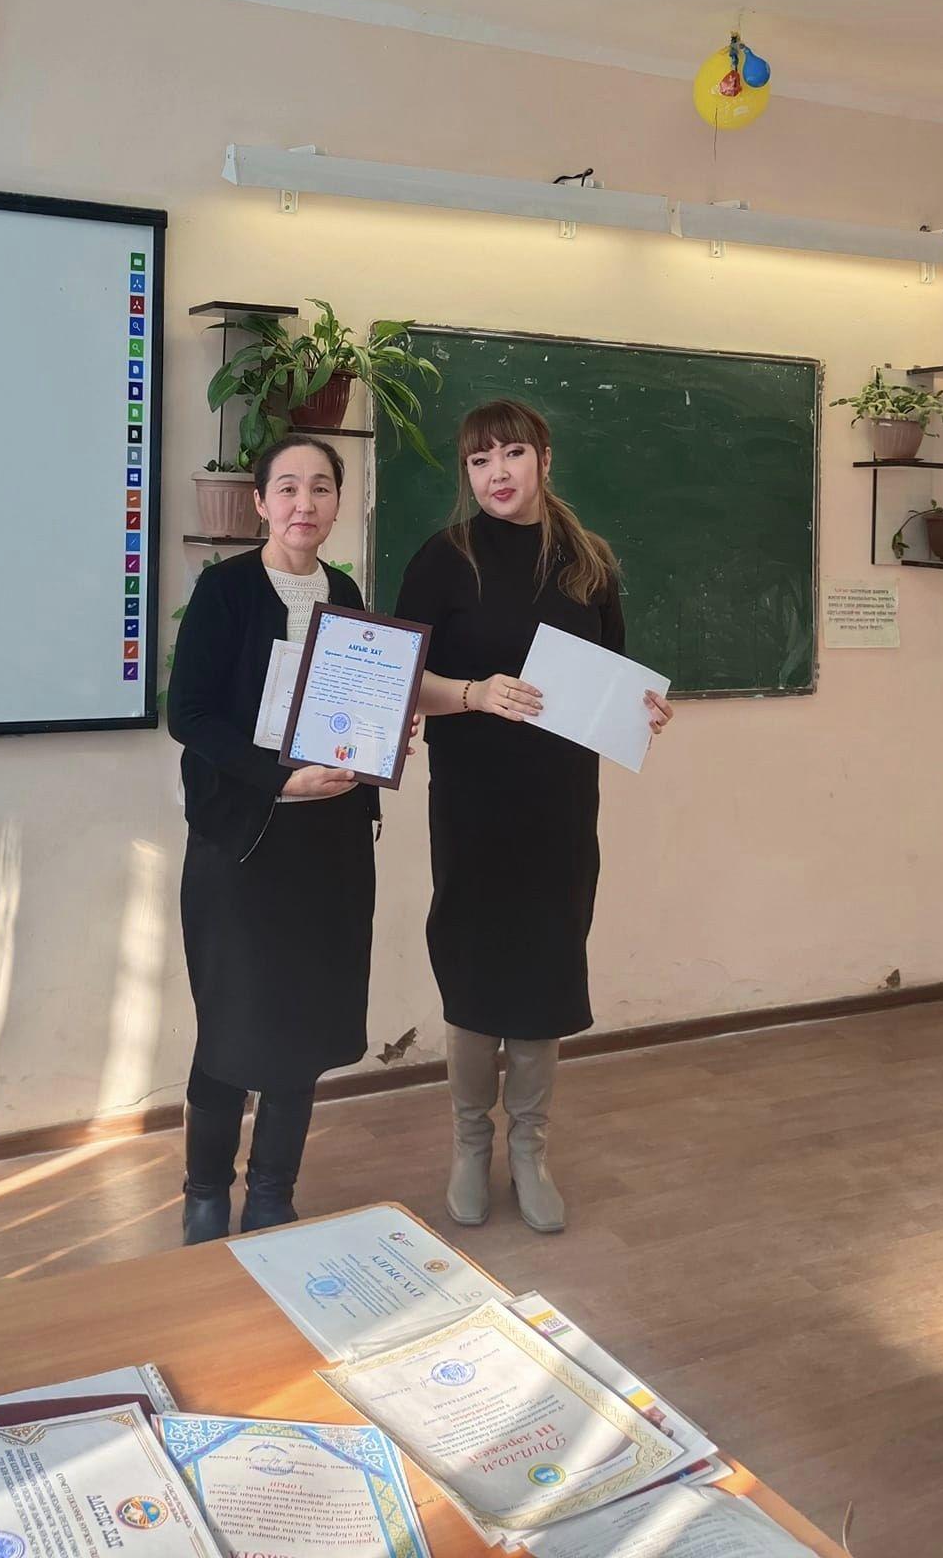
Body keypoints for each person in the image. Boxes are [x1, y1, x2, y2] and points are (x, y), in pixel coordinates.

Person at [396, 399, 674, 1234]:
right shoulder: (444, 558)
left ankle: (530, 1149)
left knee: (547, 967)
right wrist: (474, 693)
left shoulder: (589, 562)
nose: (497, 473)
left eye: (512, 454)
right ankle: (469, 1146)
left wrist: (644, 710)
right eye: (480, 461)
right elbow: (397, 679)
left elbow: (616, 677)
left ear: (544, 459)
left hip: (560, 804)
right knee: (475, 967)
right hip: (474, 803)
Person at [167, 435, 378, 1244]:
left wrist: (381, 738)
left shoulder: (346, 592)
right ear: (259, 502)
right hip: (241, 844)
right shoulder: (223, 591)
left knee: (304, 1025)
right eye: (287, 487)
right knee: (231, 1023)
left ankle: (272, 1195)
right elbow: (190, 716)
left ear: (336, 503)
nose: (304, 503)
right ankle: (204, 1195)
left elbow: (355, 704)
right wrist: (277, 780)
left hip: (327, 850)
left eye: (321, 487)